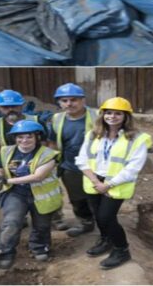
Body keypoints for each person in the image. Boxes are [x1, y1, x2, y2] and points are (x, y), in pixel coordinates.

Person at [75, 97, 152, 270]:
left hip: (116, 183)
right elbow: (81, 159)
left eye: (118, 113)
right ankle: (105, 240)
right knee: (97, 214)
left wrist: (107, 185)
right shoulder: (93, 134)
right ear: (102, 115)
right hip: (94, 180)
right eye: (108, 113)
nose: (112, 116)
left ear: (126, 117)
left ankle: (122, 250)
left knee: (106, 217)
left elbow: (133, 168)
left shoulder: (137, 139)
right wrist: (96, 181)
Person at [0, 120, 61, 269]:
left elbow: (38, 176)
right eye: (20, 137)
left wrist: (7, 180)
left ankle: (39, 247)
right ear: (14, 138)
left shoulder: (48, 154)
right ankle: (6, 252)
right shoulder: (6, 151)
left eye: (29, 136)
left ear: (37, 137)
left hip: (41, 195)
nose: (24, 140)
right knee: (11, 222)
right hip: (16, 193)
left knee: (42, 225)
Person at [47, 83, 98, 237]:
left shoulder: (97, 116)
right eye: (64, 100)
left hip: (95, 165)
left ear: (83, 100)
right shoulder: (57, 118)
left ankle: (104, 225)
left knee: (98, 197)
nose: (69, 104)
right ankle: (86, 223)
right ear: (59, 103)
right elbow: (53, 143)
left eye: (73, 100)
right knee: (77, 198)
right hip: (70, 166)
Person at [0, 89, 40, 160]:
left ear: (21, 105)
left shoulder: (36, 121)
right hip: (7, 164)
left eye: (14, 106)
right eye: (5, 107)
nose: (10, 109)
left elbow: (45, 146)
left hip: (35, 163)